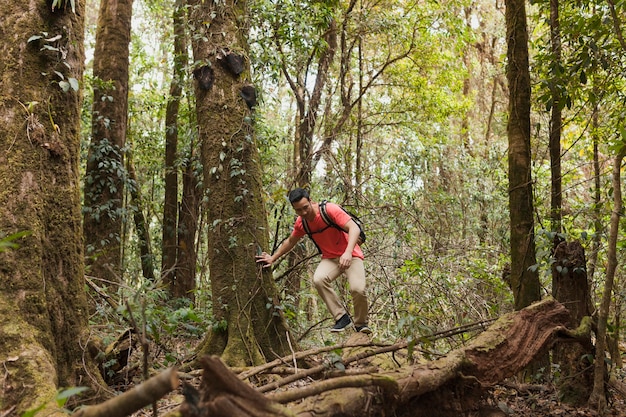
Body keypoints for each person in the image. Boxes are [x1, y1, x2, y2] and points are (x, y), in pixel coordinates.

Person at [256, 188, 371, 334]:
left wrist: (348, 253)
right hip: (330, 258)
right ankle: (341, 317)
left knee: (358, 289)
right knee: (319, 279)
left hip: (351, 254)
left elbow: (354, 228)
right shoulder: (301, 223)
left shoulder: (329, 210)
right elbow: (291, 241)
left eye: (305, 207)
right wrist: (272, 258)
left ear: (311, 201)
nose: (304, 213)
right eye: (299, 210)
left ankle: (361, 325)